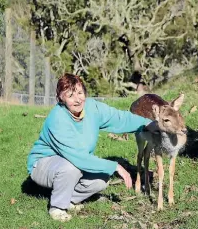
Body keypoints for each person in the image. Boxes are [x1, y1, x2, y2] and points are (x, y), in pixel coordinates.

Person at [27, 73, 156, 222]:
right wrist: (116, 166)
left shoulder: (92, 107)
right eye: (70, 96)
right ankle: (57, 207)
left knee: (101, 179)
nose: (78, 99)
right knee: (71, 168)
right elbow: (79, 158)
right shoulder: (57, 119)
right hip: (44, 165)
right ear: (61, 98)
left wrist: (147, 123)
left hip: (72, 162)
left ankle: (69, 200)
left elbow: (119, 118)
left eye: (80, 93)